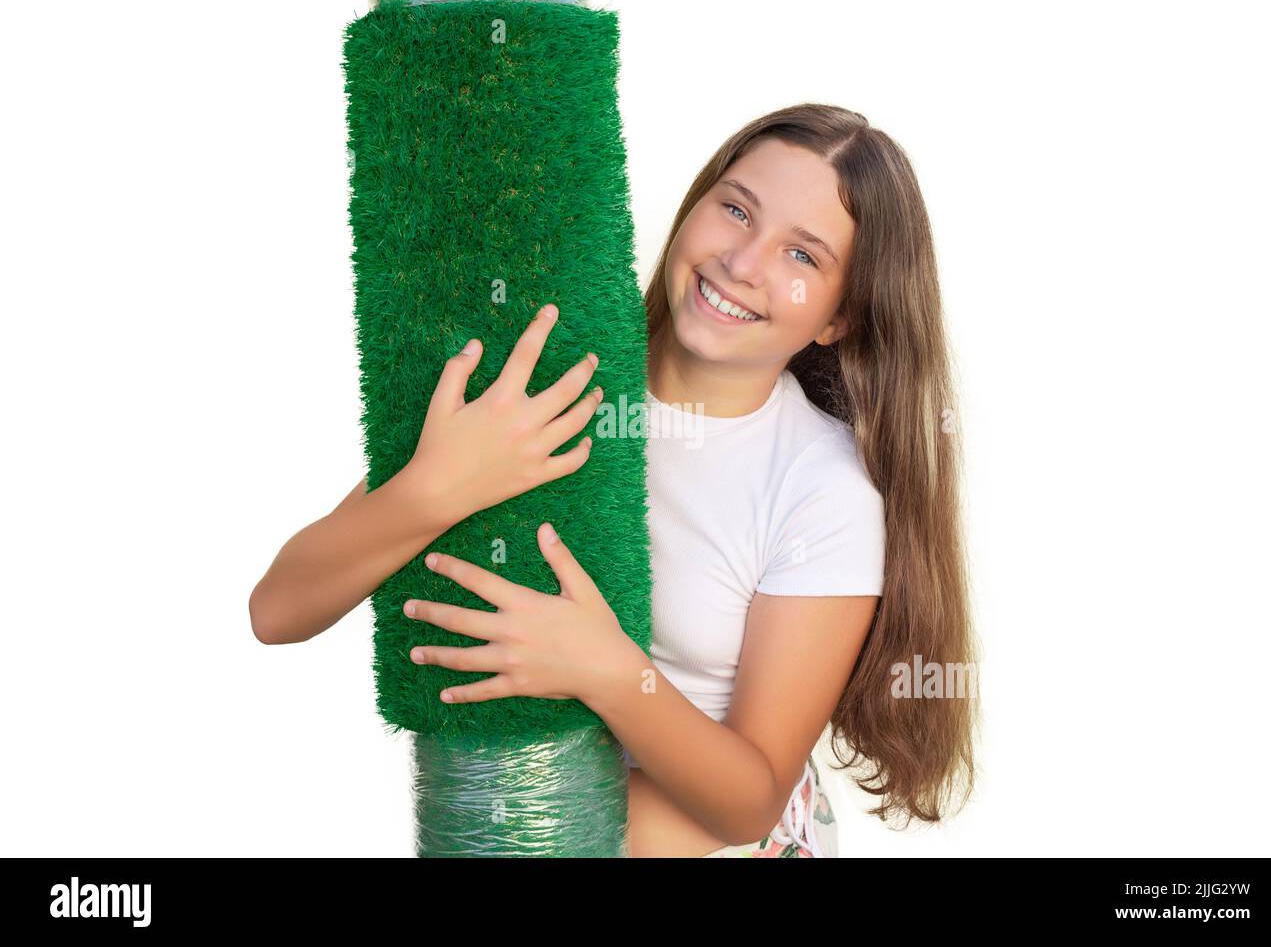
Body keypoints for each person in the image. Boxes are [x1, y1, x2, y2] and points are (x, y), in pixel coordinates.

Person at [250, 102, 978, 858]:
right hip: (531, 821)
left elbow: (749, 801)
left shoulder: (822, 489)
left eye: (803, 256)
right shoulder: (546, 377)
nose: (744, 261)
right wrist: (436, 487)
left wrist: (605, 668)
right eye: (736, 209)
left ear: (839, 318)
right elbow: (278, 610)